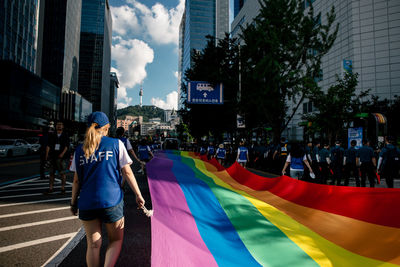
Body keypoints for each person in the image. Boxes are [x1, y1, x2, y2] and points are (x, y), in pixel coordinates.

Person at [69, 111, 145, 267]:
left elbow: (76, 180)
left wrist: (73, 203)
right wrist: (138, 194)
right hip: (111, 200)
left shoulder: (79, 150)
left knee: (93, 245)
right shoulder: (116, 144)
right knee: (116, 240)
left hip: (87, 202)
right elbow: (127, 172)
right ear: (106, 127)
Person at [44, 121, 69, 194]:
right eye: (58, 125)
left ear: (63, 126)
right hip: (52, 156)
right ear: (55, 126)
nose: (59, 126)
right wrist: (47, 155)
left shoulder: (65, 135)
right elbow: (48, 145)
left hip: (62, 157)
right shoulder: (52, 135)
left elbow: (67, 146)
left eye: (61, 124)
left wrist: (62, 154)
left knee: (62, 173)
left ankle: (63, 188)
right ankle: (51, 188)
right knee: (51, 173)